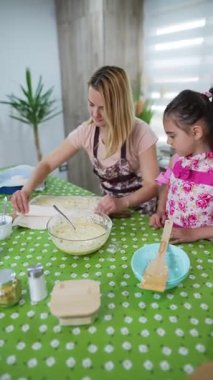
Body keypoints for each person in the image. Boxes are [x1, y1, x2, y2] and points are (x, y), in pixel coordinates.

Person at [11, 65, 159, 216]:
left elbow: (152, 185)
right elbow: (47, 164)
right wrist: (26, 190)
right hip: (110, 213)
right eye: (91, 104)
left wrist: (123, 202)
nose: (95, 114)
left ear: (119, 105)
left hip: (142, 215)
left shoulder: (141, 132)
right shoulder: (87, 131)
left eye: (103, 107)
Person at [149, 88, 213, 243]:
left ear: (196, 132)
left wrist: (192, 234)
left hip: (203, 246)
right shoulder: (177, 160)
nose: (169, 142)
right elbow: (167, 185)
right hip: (173, 236)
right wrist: (160, 210)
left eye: (172, 135)